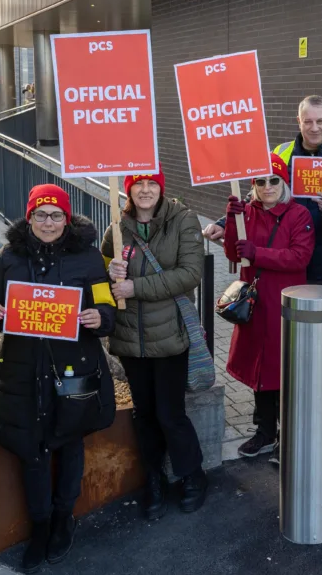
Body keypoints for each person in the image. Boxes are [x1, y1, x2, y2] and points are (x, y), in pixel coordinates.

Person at [202, 95, 322, 435]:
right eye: (307, 121)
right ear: (298, 121)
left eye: (320, 120)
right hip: (279, 279)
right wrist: (224, 220)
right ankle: (273, 425)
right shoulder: (282, 154)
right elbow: (252, 200)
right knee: (282, 351)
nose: (314, 127)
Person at [0, 184, 117, 572]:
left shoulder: (89, 258)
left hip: (73, 365)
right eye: (40, 214)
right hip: (23, 368)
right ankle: (39, 525)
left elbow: (105, 304)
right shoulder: (9, 258)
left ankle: (63, 519)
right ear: (29, 217)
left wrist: (99, 318)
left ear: (67, 218)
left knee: (70, 443)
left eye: (56, 215)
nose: (48, 222)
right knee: (32, 448)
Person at [101, 166, 209, 520]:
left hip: (170, 336)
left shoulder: (183, 220)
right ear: (128, 189)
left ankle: (192, 475)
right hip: (131, 338)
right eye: (138, 184)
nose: (145, 190)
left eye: (152, 183)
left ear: (161, 187)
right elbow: (101, 272)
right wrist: (110, 273)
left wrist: (135, 287)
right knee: (144, 415)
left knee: (170, 414)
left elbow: (190, 274)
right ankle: (155, 477)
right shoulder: (117, 227)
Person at [224, 153, 315, 459]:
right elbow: (234, 253)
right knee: (260, 369)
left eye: (273, 180)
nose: (267, 187)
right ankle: (265, 431)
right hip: (255, 305)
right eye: (260, 181)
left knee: (285, 371)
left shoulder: (299, 214)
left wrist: (258, 253)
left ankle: (288, 435)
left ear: (283, 182)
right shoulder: (246, 212)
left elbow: (299, 257)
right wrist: (231, 221)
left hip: (285, 304)